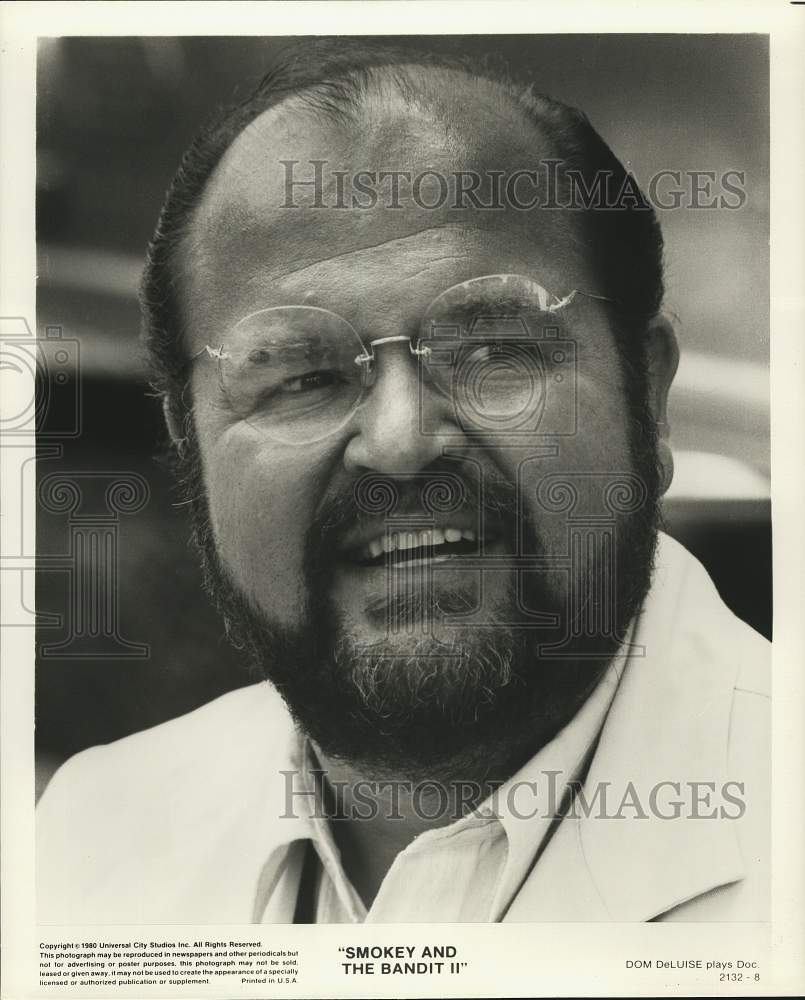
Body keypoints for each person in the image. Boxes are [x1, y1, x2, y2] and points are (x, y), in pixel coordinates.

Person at [37, 40, 769, 924]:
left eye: (493, 353)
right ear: (188, 447)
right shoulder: (84, 837)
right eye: (299, 377)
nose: (398, 441)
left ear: (646, 398)